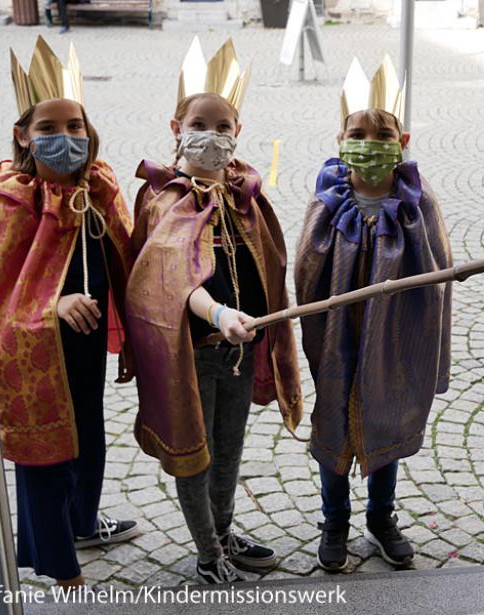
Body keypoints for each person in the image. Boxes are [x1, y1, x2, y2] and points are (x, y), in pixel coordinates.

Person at [125, 38, 302, 585]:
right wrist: (217, 311)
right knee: (195, 453)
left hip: (241, 347)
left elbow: (270, 265)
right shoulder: (163, 197)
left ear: (238, 133)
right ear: (177, 127)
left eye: (225, 126)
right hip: (192, 354)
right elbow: (170, 280)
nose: (215, 134)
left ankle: (223, 532)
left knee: (229, 449)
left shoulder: (245, 193)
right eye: (202, 122)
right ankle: (206, 551)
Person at [0, 36, 138, 587]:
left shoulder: (99, 186)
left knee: (87, 434)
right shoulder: (14, 195)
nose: (66, 138)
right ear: (23, 135)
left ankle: (81, 523)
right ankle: (58, 564)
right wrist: (51, 303)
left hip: (86, 340)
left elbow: (127, 257)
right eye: (48, 129)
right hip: (36, 345)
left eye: (76, 126)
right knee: (44, 448)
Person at [295, 56, 453, 571]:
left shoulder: (416, 199)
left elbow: (436, 271)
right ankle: (334, 520)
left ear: (401, 140)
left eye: (381, 132)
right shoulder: (330, 195)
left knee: (384, 415)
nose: (369, 140)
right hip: (340, 333)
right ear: (340, 139)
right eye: (357, 132)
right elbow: (307, 263)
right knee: (336, 420)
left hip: (394, 336)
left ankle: (381, 518)